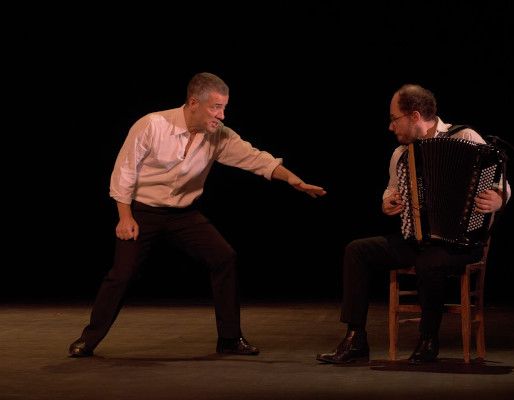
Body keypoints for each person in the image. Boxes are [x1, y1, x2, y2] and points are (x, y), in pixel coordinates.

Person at [69, 72, 326, 358]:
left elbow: (255, 158)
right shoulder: (152, 125)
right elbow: (124, 171)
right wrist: (125, 217)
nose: (222, 115)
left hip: (183, 214)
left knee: (224, 257)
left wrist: (292, 179)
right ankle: (88, 340)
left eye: (224, 108)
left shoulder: (218, 135)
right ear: (194, 102)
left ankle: (229, 339)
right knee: (122, 274)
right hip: (143, 210)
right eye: (216, 107)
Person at [316, 84, 509, 364]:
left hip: (463, 243)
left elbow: (503, 184)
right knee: (356, 250)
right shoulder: (400, 154)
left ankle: (428, 340)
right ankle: (355, 338)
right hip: (416, 240)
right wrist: (389, 202)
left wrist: (498, 199)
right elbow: (389, 191)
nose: (391, 126)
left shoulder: (465, 136)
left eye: (394, 118)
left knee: (429, 261)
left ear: (414, 116)